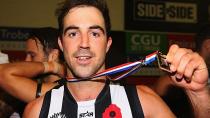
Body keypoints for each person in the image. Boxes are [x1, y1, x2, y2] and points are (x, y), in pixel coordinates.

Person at [23, 0, 209, 117]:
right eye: (73, 34)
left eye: (95, 33)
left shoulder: (143, 103)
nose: (84, 43)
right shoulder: (36, 111)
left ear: (108, 44)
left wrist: (199, 94)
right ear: (61, 44)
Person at [0, 27, 65, 117]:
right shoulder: (29, 86)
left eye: (32, 55)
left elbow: (2, 73)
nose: (27, 60)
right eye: (27, 55)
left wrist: (52, 66)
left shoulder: (64, 89)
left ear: (53, 56)